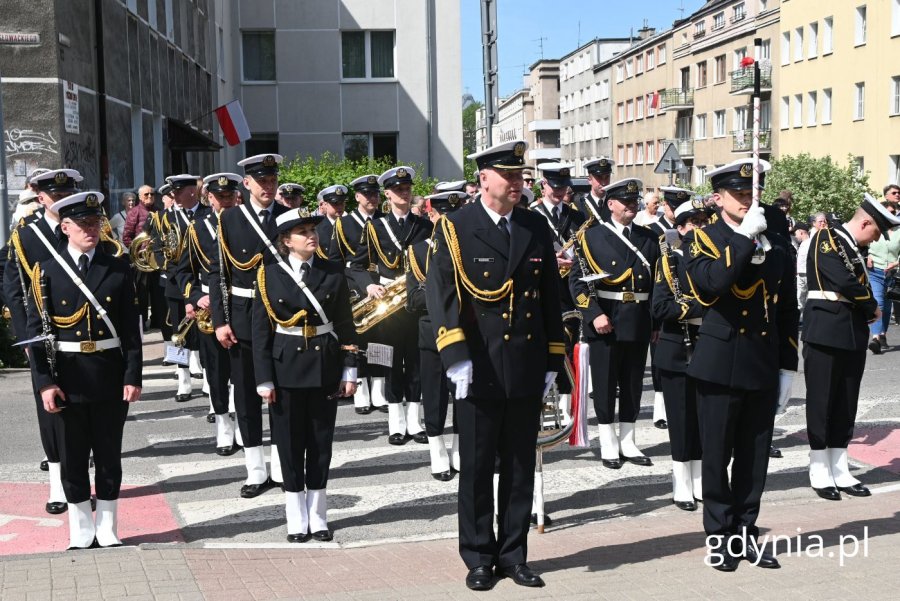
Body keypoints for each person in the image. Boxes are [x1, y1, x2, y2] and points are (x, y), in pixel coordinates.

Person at [427, 140, 564, 590]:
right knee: (479, 466)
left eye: (521, 178)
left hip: (524, 364)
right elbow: (442, 297)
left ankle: (513, 554)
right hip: (478, 365)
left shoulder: (533, 226)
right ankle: (479, 556)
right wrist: (455, 357)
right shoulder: (455, 227)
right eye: (508, 177)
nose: (517, 185)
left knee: (522, 466)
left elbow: (548, 299)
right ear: (484, 178)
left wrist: (552, 360)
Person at [683, 158, 798, 571]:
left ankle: (747, 533)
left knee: (754, 458)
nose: (748, 200)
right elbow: (713, 283)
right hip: (718, 363)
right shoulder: (701, 239)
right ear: (718, 199)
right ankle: (720, 536)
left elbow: (786, 306)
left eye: (753, 194)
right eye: (739, 194)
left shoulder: (773, 238)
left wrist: (789, 364)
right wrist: (745, 239)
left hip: (761, 361)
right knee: (716, 457)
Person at [26, 190, 142, 549]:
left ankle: (107, 525)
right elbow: (36, 332)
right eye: (83, 224)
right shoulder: (46, 270)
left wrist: (132, 376)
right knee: (72, 454)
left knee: (108, 453)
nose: (91, 230)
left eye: (96, 223)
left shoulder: (118, 268)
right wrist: (45, 383)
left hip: (107, 374)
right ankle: (80, 528)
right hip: (67, 376)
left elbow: (131, 331)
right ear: (65, 226)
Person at [252, 205, 358, 543]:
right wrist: (264, 378)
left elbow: (345, 325)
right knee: (289, 443)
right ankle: (295, 516)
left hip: (325, 366)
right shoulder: (268, 275)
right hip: (286, 369)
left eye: (313, 230)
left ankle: (318, 515)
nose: (311, 236)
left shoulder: (332, 272)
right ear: (286, 240)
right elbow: (260, 331)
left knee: (321, 443)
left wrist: (351, 368)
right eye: (303, 232)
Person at [803, 193, 899, 501]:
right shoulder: (827, 237)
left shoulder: (853, 247)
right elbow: (844, 281)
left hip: (851, 331)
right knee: (822, 401)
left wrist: (867, 308)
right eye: (875, 232)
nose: (875, 240)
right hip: (825, 330)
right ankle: (819, 467)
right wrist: (872, 306)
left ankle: (839, 466)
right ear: (866, 222)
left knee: (845, 402)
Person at [209, 154, 289, 498]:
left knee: (282, 393)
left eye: (272, 181)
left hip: (281, 314)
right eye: (261, 181)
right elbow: (219, 272)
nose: (268, 187)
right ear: (247, 184)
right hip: (243, 313)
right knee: (245, 393)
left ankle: (284, 466)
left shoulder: (288, 218)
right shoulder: (230, 219)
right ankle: (256, 470)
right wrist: (219, 320)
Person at [3, 169, 83, 515]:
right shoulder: (25, 236)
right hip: (41, 332)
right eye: (55, 195)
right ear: (42, 198)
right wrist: (24, 335)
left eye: (68, 194)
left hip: (80, 333)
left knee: (82, 407)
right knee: (49, 409)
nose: (62, 201)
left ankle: (79, 480)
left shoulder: (86, 227)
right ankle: (57, 487)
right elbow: (13, 288)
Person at [570, 178, 660, 469]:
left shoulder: (648, 238)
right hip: (605, 320)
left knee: (633, 384)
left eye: (635, 202)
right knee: (607, 385)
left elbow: (659, 282)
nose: (632, 206)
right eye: (626, 202)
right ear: (611, 204)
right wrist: (594, 313)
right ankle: (608, 442)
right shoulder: (592, 237)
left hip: (638, 319)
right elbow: (577, 283)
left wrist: (656, 321)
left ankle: (628, 440)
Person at [349, 166, 431, 445]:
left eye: (407, 189)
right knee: (391, 364)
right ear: (387, 194)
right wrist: (369, 285)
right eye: (398, 190)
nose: (404, 193)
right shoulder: (375, 227)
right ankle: (396, 424)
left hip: (418, 302)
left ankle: (415, 422)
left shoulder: (424, 226)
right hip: (389, 305)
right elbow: (357, 265)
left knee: (418, 364)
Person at [173, 173, 243, 455]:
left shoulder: (247, 224)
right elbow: (182, 271)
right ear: (209, 198)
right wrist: (195, 296)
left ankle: (242, 422)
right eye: (220, 197)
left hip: (241, 306)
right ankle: (223, 425)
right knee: (216, 371)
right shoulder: (197, 229)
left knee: (241, 369)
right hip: (210, 308)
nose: (225, 201)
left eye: (230, 196)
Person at [652, 197, 711, 512]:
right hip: (677, 351)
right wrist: (698, 310)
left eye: (704, 222)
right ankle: (682, 485)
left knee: (704, 419)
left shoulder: (714, 261)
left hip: (708, 350)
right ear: (680, 228)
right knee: (681, 420)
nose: (700, 228)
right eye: (693, 223)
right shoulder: (669, 261)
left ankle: (701, 480)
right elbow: (660, 306)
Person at [407, 190, 466, 481]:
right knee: (433, 396)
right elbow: (412, 301)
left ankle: (458, 448)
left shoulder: (467, 246)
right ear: (432, 216)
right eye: (444, 215)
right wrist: (439, 295)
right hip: (431, 332)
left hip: (465, 332)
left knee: (464, 396)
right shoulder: (418, 251)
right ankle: (437, 451)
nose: (449, 221)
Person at [329, 174, 389, 415]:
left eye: (375, 193)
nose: (372, 198)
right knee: (360, 339)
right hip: (354, 289)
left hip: (384, 287)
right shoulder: (344, 224)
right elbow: (336, 261)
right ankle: (361, 391)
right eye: (367, 194)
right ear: (357, 197)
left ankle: (379, 388)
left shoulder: (385, 220)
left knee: (383, 338)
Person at [533, 164, 585, 423]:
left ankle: (566, 406)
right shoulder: (531, 215)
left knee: (569, 346)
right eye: (555, 187)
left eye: (563, 187)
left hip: (570, 292)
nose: (559, 192)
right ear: (543, 186)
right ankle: (540, 402)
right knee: (544, 348)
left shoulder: (576, 218)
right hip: (542, 289)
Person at [163, 174, 210, 402]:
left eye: (178, 191)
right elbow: (166, 256)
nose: (174, 196)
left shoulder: (208, 214)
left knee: (206, 334)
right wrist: (187, 293)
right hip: (175, 286)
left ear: (192, 191)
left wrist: (196, 292)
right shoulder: (166, 217)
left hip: (204, 286)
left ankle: (210, 381)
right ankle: (184, 382)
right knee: (178, 335)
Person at [864, 207, 900, 354]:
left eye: (891, 213)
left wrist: (896, 263)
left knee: (886, 305)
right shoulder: (874, 228)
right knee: (877, 302)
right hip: (875, 271)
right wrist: (869, 256)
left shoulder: (899, 231)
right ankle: (876, 338)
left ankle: (882, 334)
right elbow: (864, 243)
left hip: (891, 272)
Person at [574, 157, 614, 223]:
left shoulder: (615, 204)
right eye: (599, 178)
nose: (604, 183)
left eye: (607, 177)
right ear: (589, 180)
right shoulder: (579, 206)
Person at [315, 185, 346, 259]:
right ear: (325, 205)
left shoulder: (350, 224)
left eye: (342, 203)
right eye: (335, 203)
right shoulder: (317, 228)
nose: (340, 207)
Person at [794, 223, 811, 310]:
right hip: (800, 275)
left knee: (808, 297)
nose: (795, 236)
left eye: (796, 234)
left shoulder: (810, 243)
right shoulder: (802, 244)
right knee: (800, 297)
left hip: (808, 274)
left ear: (801, 232)